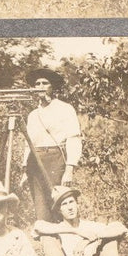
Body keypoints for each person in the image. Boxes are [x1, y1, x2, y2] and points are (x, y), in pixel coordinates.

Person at [23, 67, 83, 222]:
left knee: (60, 203)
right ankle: (47, 242)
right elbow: (28, 143)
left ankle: (66, 241)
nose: (40, 87)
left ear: (53, 87)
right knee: (41, 207)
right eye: (37, 84)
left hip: (56, 161)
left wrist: (69, 168)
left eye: (45, 83)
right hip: (35, 162)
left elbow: (73, 138)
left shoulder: (65, 109)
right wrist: (25, 168)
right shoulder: (32, 115)